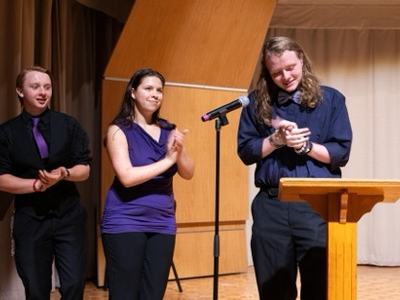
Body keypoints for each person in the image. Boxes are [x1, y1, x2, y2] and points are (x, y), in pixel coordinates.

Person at [237, 36, 352, 300]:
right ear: (267, 72)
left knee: (320, 285)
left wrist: (305, 147)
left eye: (290, 67)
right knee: (274, 289)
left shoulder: (331, 99)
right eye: (276, 72)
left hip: (317, 204)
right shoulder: (255, 103)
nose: (285, 76)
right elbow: (246, 151)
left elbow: (341, 152)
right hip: (271, 203)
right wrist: (276, 140)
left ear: (302, 59)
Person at [101, 68, 194, 300]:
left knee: (153, 294)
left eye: (160, 90)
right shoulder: (118, 130)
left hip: (162, 222)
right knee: (125, 293)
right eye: (148, 88)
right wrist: (167, 160)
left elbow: (188, 172)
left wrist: (179, 151)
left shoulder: (168, 129)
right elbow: (127, 177)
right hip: (125, 220)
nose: (155, 94)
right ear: (133, 92)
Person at [0, 66, 91, 299]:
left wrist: (64, 174)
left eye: (47, 87)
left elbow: (84, 169)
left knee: (73, 285)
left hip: (68, 215)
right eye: (35, 86)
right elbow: (2, 178)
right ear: (20, 91)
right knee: (36, 288)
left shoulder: (68, 125)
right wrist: (36, 186)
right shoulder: (7, 132)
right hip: (30, 218)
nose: (43, 92)